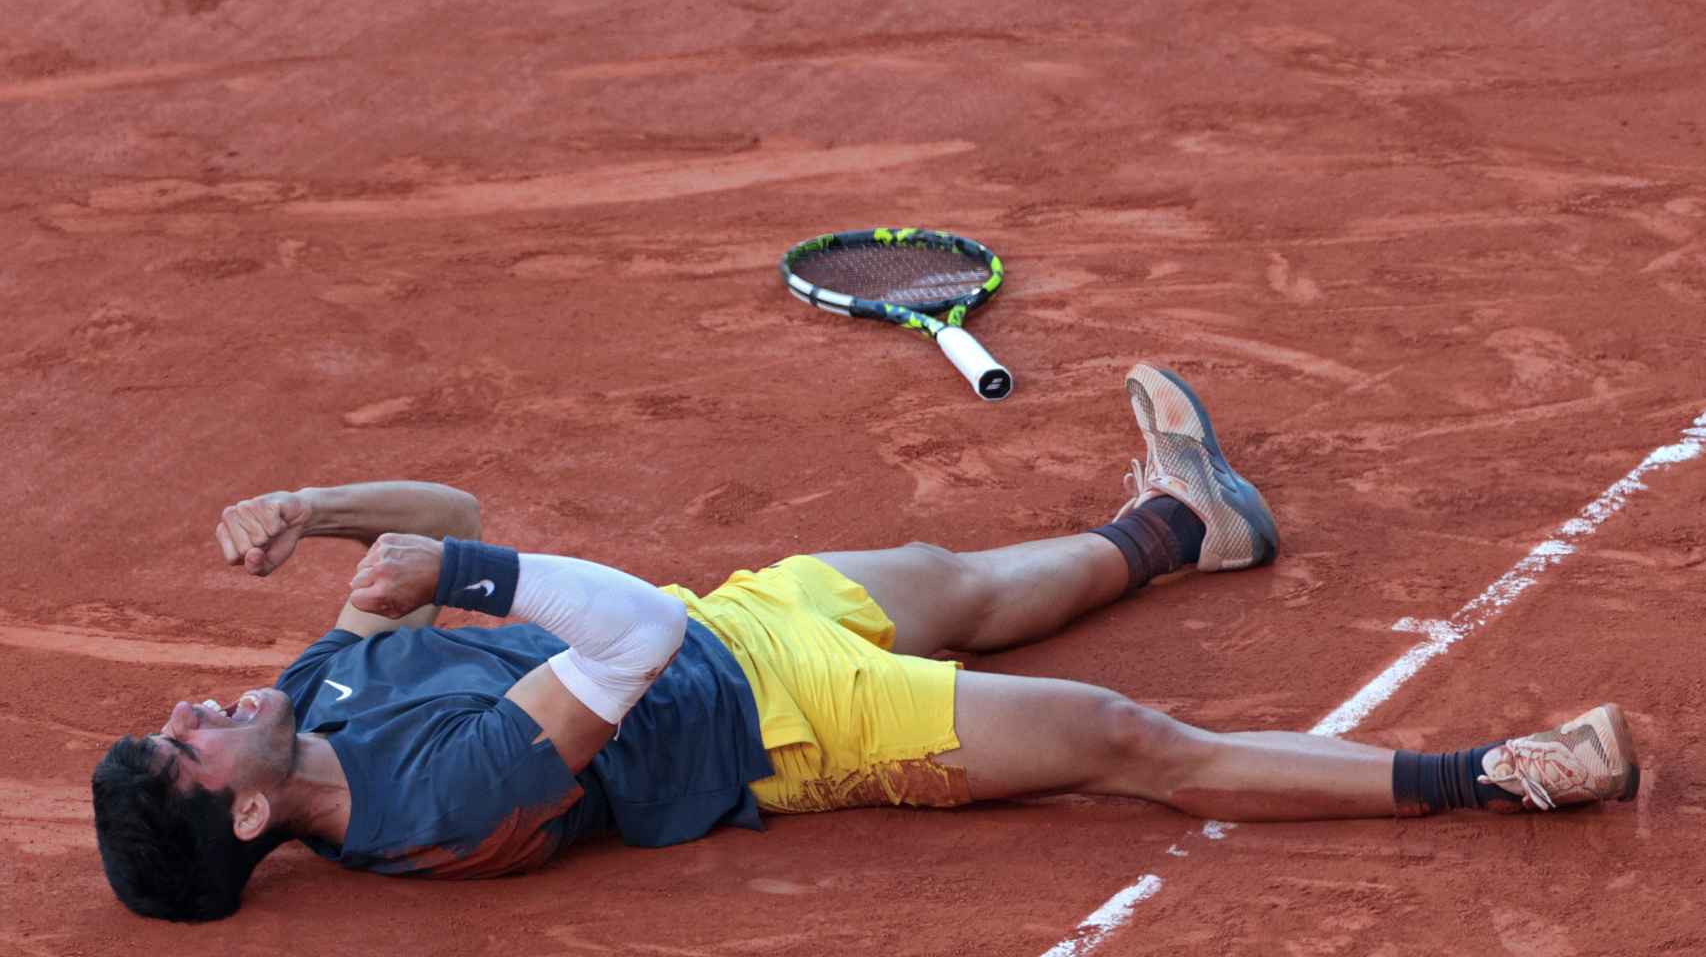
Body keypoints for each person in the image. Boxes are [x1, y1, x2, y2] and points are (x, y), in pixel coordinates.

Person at [90, 364, 1640, 922]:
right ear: (241, 810)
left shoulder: (312, 693)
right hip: (779, 727)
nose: (191, 705)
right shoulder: (431, 810)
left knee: (945, 578)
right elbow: (613, 634)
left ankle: (1187, 525)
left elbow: (449, 509)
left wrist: (325, 506)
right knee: (1117, 741)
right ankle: (1495, 776)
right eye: (187, 743)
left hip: (728, 626)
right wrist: (471, 573)